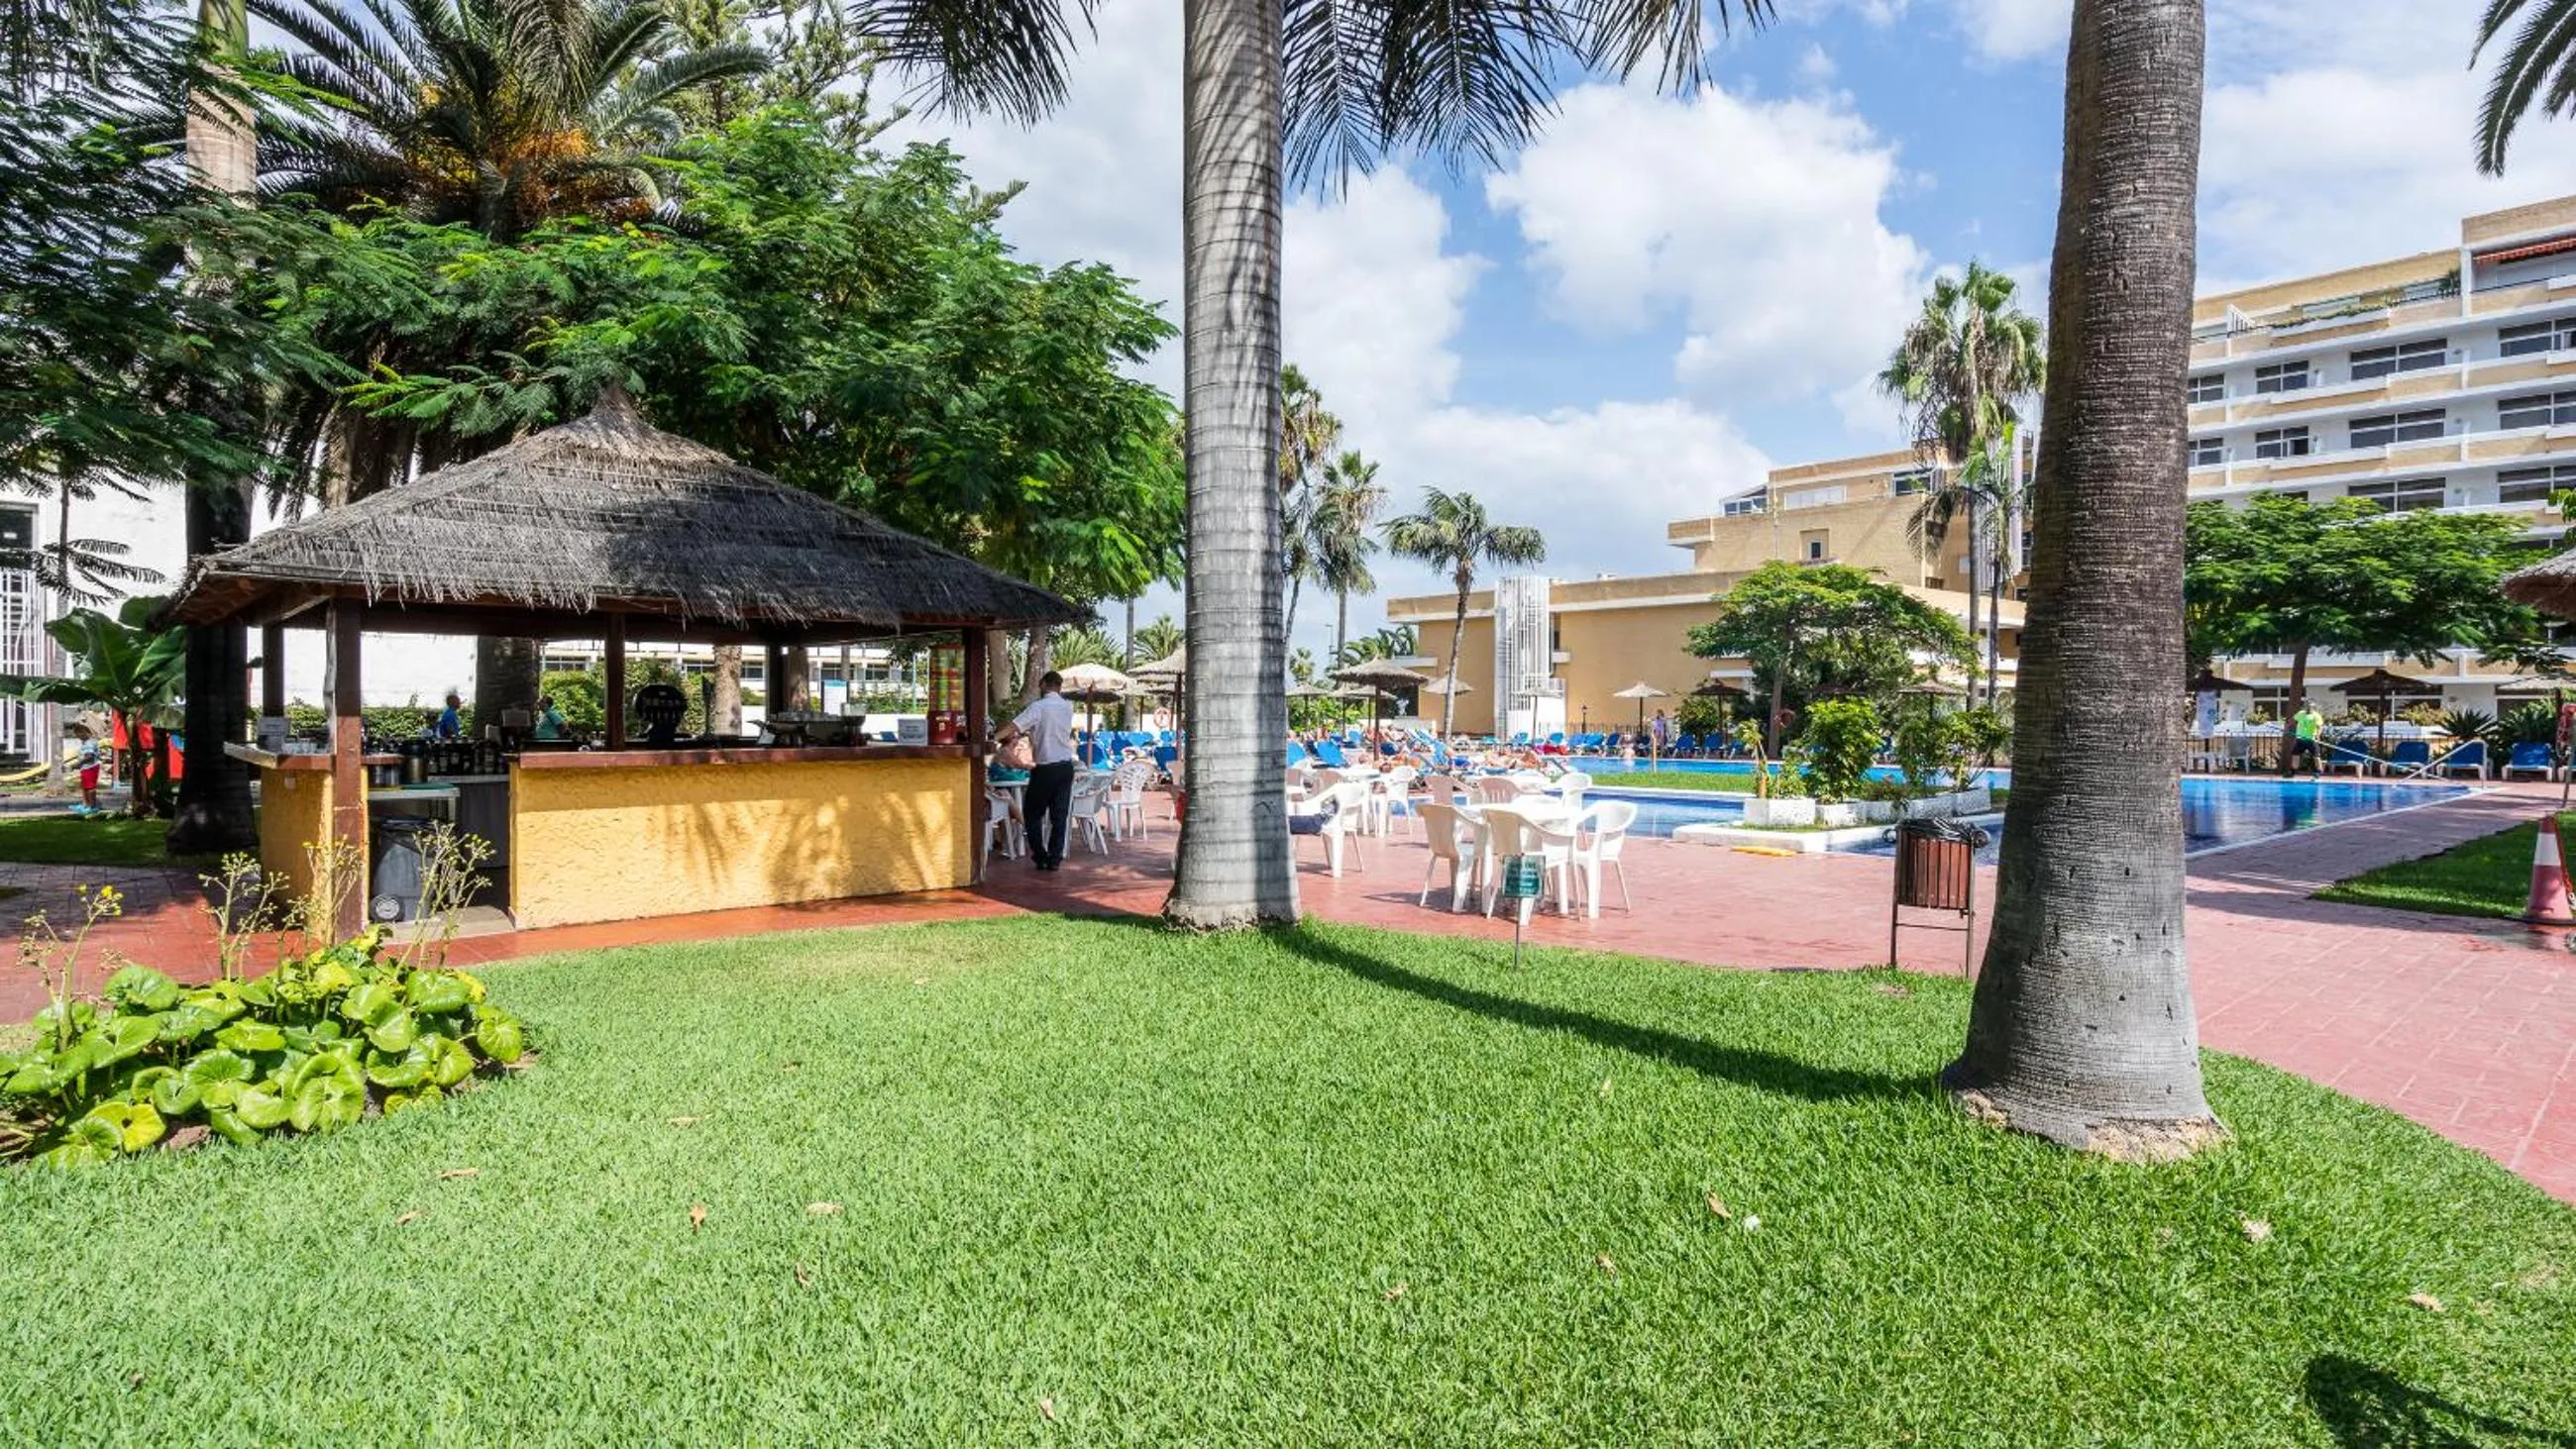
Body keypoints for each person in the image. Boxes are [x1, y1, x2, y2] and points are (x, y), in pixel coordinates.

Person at [999, 671, 1077, 871]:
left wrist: (992, 738)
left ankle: (1040, 855)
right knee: (1059, 816)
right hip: (1066, 767)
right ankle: (1055, 858)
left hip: (1046, 768)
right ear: (1059, 686)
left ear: (1043, 684)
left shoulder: (1039, 707)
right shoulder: (1068, 708)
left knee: (1033, 814)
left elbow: (1014, 727)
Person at [69, 724, 100, 814]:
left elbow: (89, 756)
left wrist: (77, 764)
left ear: (84, 733)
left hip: (90, 767)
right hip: (86, 768)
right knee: (85, 787)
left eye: (79, 735)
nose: (78, 738)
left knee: (90, 787)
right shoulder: (87, 742)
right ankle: (85, 804)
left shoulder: (89, 743)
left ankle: (92, 806)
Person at [2291, 699, 2325, 776]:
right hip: (2300, 739)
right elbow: (2293, 721)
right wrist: (2289, 728)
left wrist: (2317, 736)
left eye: (2310, 707)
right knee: (2295, 754)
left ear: (2313, 707)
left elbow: (2319, 727)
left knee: (2316, 756)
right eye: (2307, 706)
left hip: (2311, 739)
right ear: (2305, 707)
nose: (2308, 708)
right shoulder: (2300, 714)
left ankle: (2319, 771)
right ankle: (2293, 771)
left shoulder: (2316, 716)